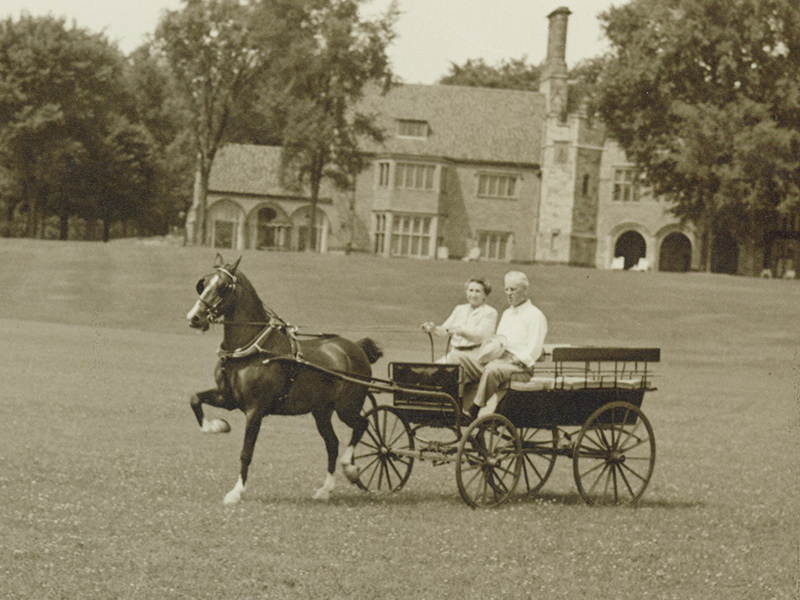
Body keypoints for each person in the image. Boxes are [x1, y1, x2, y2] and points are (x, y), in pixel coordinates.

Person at [463, 271, 548, 417]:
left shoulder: (535, 315)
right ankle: (457, 403)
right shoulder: (507, 314)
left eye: (513, 289)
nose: (509, 293)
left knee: (492, 370)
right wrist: (488, 353)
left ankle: (475, 409)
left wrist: (514, 360)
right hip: (499, 360)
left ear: (525, 290)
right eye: (506, 289)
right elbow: (499, 341)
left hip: (520, 369)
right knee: (461, 359)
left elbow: (534, 350)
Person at [421, 277, 498, 364]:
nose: (473, 295)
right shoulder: (460, 309)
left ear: (485, 295)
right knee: (433, 369)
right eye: (471, 290)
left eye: (477, 291)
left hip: (474, 356)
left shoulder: (490, 312)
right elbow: (445, 330)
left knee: (447, 367)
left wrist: (461, 332)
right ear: (466, 292)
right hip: (454, 353)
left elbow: (480, 337)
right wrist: (433, 329)